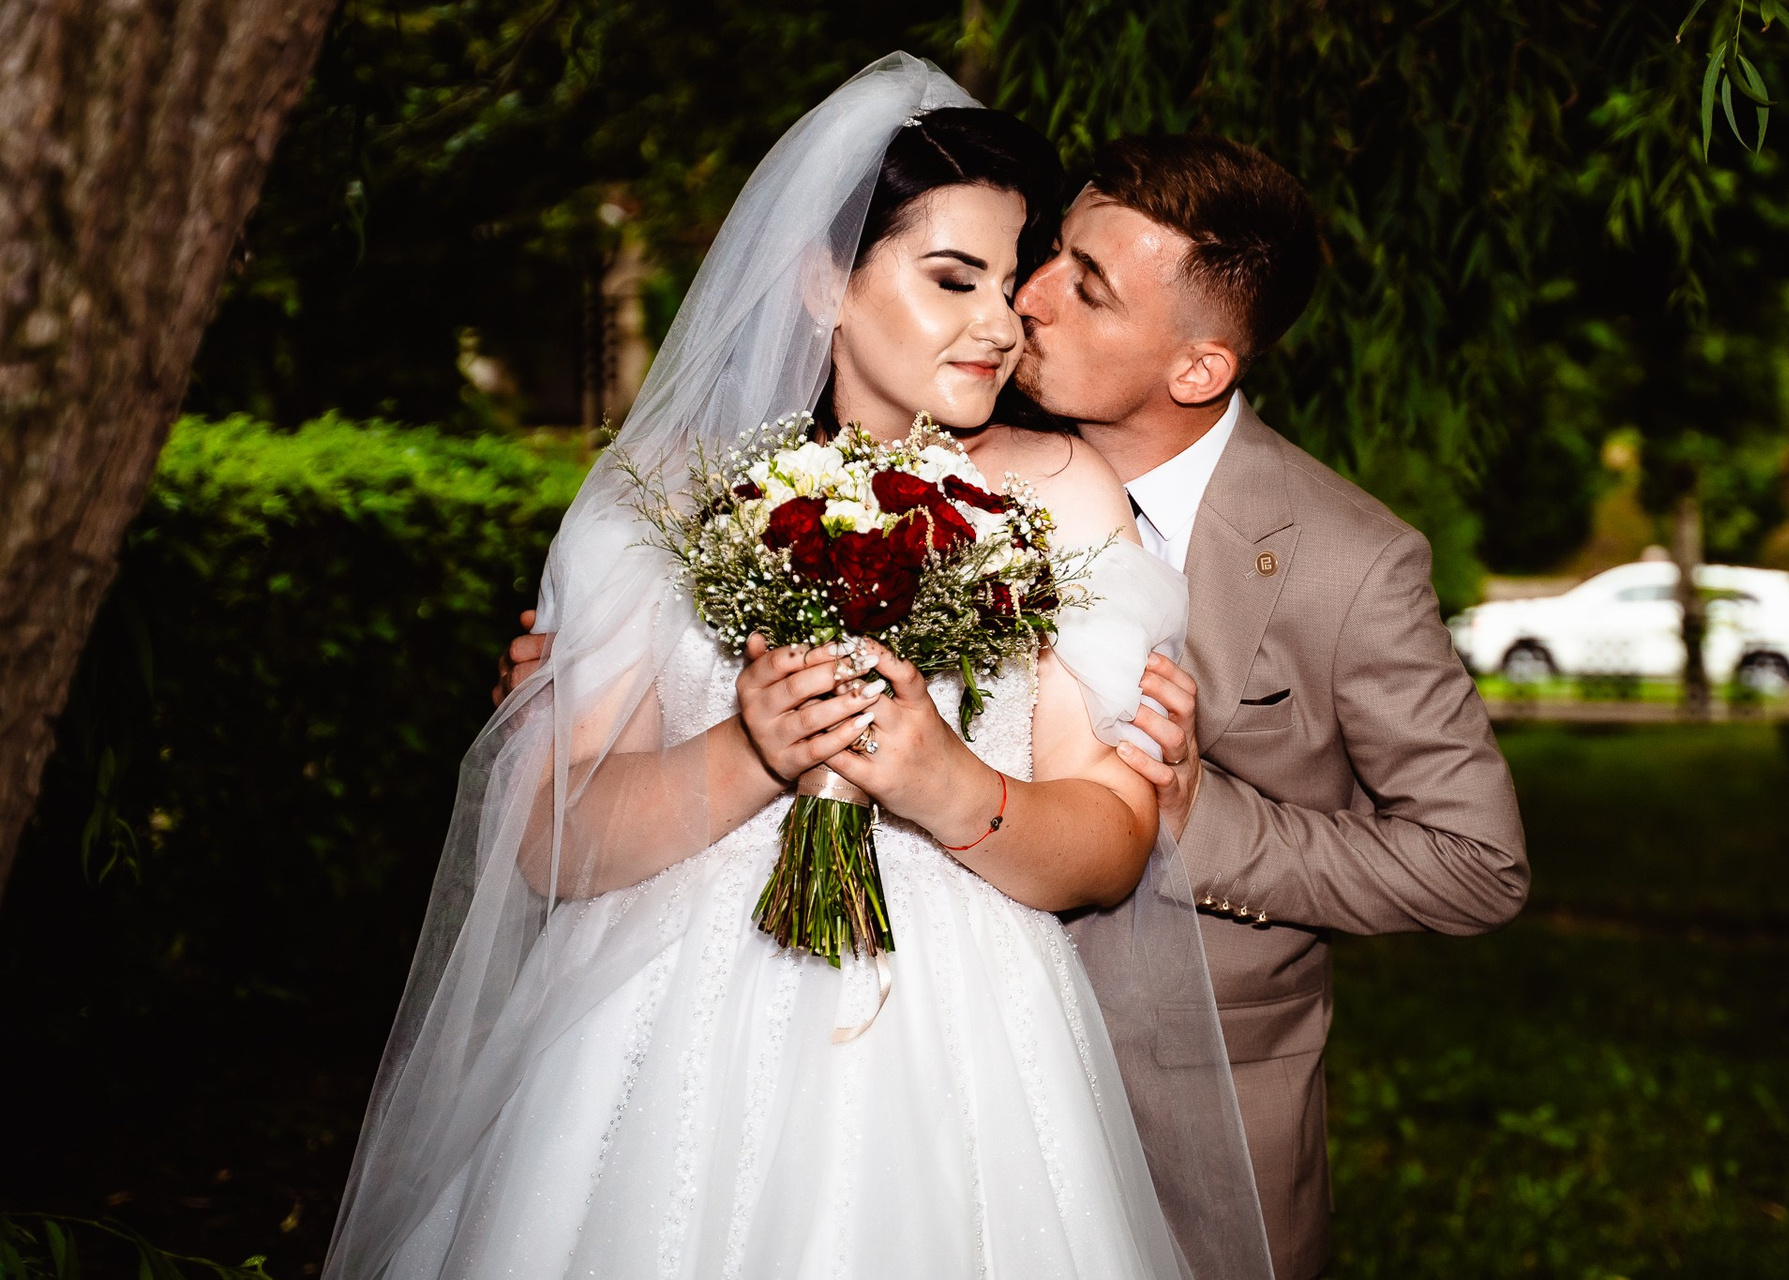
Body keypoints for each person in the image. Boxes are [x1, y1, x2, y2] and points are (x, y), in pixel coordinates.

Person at [330, 55, 1270, 1280]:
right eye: (953, 278)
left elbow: (1110, 837)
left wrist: (947, 783)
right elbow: (551, 836)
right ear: (825, 276)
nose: (1000, 325)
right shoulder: (660, 498)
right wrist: (749, 751)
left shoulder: (1061, 493)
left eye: (1012, 283)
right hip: (657, 1032)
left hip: (965, 1043)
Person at [1014, 135, 1531, 1278]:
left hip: (1198, 1127)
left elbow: (1478, 862)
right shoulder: (956, 460)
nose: (1029, 294)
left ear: (1198, 368)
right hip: (962, 1067)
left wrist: (1203, 819)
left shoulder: (1350, 562)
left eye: (1087, 287)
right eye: (1052, 253)